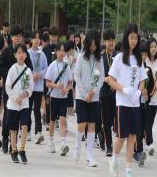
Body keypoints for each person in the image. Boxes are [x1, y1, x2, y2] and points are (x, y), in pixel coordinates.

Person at [106, 23, 147, 177]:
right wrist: (124, 90)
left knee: (132, 137)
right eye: (131, 37)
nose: (134, 41)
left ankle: (128, 170)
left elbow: (142, 79)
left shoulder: (138, 59)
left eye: (136, 38)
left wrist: (138, 91)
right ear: (126, 38)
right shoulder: (118, 58)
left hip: (135, 103)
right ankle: (114, 159)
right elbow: (111, 80)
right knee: (121, 136)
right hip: (122, 102)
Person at [0, 25, 33, 154]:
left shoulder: (25, 52)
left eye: (20, 36)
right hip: (10, 90)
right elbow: (0, 66)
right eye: (15, 36)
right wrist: (9, 76)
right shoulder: (6, 51)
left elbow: (29, 68)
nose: (17, 38)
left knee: (20, 117)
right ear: (11, 37)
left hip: (22, 93)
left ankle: (15, 145)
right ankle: (5, 139)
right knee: (8, 115)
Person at [73, 30, 104, 167]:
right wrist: (84, 93)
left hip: (94, 97)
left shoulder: (99, 59)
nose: (93, 48)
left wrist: (94, 92)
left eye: (95, 45)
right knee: (82, 123)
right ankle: (77, 147)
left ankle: (89, 156)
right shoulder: (80, 57)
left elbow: (101, 77)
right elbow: (77, 75)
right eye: (90, 45)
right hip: (81, 96)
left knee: (92, 124)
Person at [5, 43, 34, 164]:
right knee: (13, 129)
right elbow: (7, 87)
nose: (21, 55)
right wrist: (14, 97)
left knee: (25, 126)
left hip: (24, 104)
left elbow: (31, 87)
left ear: (26, 55)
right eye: (19, 53)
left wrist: (26, 94)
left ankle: (22, 150)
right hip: (13, 104)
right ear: (15, 55)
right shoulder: (12, 69)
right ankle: (14, 150)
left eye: (23, 53)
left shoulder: (28, 71)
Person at [45, 42, 73, 156]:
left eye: (63, 51)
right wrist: (56, 86)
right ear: (56, 52)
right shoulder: (52, 65)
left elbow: (71, 83)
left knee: (62, 120)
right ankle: (50, 141)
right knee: (52, 120)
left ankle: (63, 144)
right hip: (54, 97)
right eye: (60, 51)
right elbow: (47, 83)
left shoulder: (67, 66)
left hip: (64, 98)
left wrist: (66, 89)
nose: (62, 53)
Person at [132, 41, 153, 167]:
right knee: (137, 129)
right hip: (135, 104)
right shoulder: (134, 69)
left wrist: (147, 93)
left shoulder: (148, 70)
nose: (143, 57)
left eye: (145, 55)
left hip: (145, 104)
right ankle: (137, 151)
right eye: (142, 54)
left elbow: (152, 86)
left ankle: (141, 149)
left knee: (145, 127)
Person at [28, 31, 48, 144]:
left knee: (37, 109)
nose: (37, 40)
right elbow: (24, 66)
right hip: (29, 85)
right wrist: (32, 75)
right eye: (34, 38)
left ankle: (38, 132)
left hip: (39, 86)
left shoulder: (42, 54)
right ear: (31, 40)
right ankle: (27, 130)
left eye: (38, 38)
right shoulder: (27, 52)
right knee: (27, 108)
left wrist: (39, 74)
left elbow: (46, 67)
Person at [99, 29, 116, 156]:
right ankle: (109, 146)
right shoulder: (100, 58)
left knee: (113, 120)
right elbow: (96, 75)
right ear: (104, 42)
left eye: (112, 41)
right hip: (104, 92)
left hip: (116, 93)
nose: (110, 43)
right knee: (106, 120)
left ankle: (102, 134)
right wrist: (106, 79)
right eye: (108, 41)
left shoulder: (118, 57)